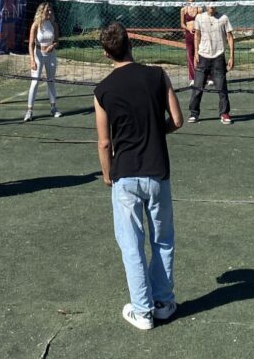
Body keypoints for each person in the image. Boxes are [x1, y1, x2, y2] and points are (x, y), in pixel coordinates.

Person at [94, 22, 183, 330]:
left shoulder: (102, 90)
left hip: (125, 175)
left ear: (106, 54)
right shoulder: (158, 75)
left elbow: (104, 142)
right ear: (131, 44)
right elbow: (177, 120)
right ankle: (163, 302)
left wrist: (107, 173)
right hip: (157, 172)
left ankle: (143, 311)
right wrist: (157, 131)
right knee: (162, 239)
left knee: (132, 245)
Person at [188, 0, 235, 125]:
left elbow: (230, 37)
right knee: (197, 87)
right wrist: (196, 53)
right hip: (203, 57)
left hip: (218, 57)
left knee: (222, 88)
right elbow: (197, 35)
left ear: (216, 5)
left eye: (213, 4)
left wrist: (231, 56)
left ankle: (224, 113)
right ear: (205, 4)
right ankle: (194, 113)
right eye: (209, 4)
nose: (211, 7)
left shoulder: (224, 18)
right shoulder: (199, 18)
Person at [24, 2, 62, 121]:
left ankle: (53, 108)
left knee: (51, 81)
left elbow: (57, 41)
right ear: (41, 11)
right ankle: (29, 111)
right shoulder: (36, 25)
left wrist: (53, 46)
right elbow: (31, 44)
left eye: (51, 10)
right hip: (38, 55)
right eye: (47, 10)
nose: (50, 12)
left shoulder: (53, 24)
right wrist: (32, 60)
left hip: (51, 55)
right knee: (35, 82)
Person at [180, 0, 201, 85]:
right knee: (190, 55)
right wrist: (188, 29)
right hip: (189, 35)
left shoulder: (199, 9)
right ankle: (193, 78)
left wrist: (197, 29)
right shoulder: (183, 9)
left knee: (201, 54)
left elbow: (201, 22)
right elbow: (182, 24)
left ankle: (207, 76)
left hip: (198, 34)